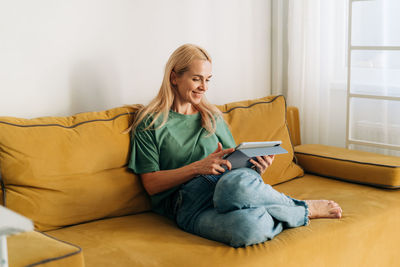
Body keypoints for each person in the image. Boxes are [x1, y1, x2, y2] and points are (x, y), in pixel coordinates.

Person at [128, 44, 342, 248]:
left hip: (227, 185)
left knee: (233, 187)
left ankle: (302, 207)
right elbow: (151, 184)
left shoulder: (211, 116)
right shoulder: (150, 121)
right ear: (174, 77)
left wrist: (256, 168)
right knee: (249, 229)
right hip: (188, 205)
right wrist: (197, 168)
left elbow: (235, 168)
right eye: (196, 79)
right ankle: (298, 212)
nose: (204, 87)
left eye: (208, 80)